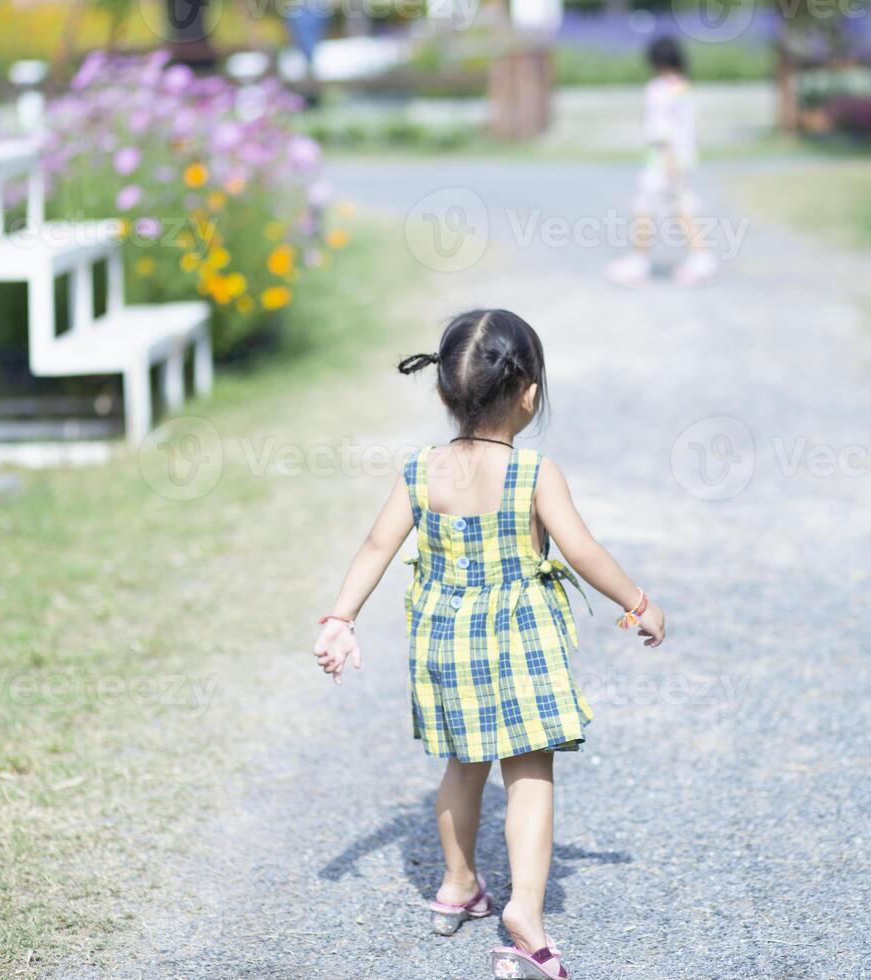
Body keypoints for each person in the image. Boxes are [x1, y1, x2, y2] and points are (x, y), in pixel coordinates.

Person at [312, 309, 666, 980]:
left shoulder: (421, 471)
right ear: (529, 394)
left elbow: (377, 546)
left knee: (462, 763)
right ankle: (523, 912)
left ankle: (457, 884)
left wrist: (340, 617)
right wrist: (638, 603)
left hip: (446, 645)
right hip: (521, 641)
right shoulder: (533, 474)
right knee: (528, 773)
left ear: (444, 389)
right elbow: (583, 550)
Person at [606, 36, 716, 286]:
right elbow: (693, 130)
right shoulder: (686, 88)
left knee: (644, 209)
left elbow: (660, 131)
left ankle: (638, 263)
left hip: (663, 162)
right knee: (682, 209)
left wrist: (669, 164)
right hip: (684, 160)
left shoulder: (657, 90)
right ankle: (701, 259)